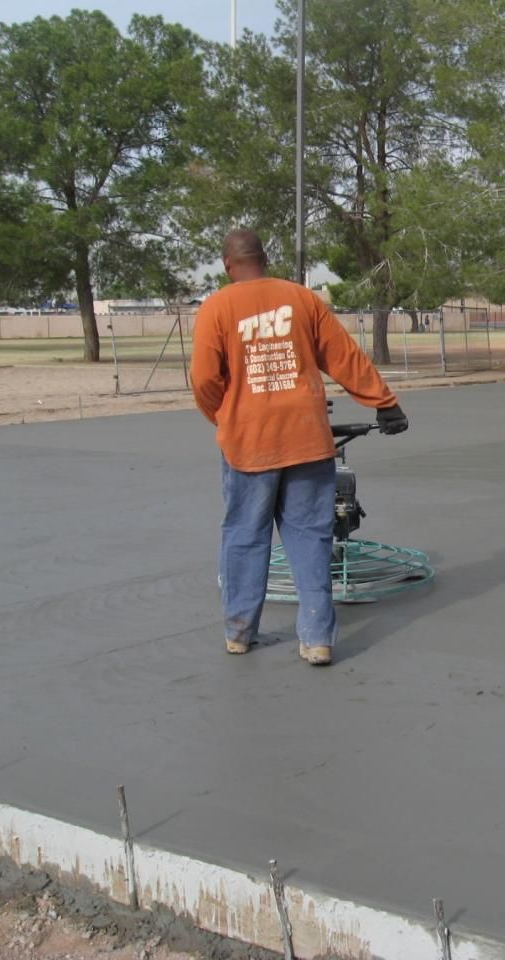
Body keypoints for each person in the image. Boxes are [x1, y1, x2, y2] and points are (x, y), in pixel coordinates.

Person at [190, 228, 409, 665]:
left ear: (228, 265)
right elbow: (342, 355)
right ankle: (317, 639)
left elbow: (203, 379)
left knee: (244, 536)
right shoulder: (302, 299)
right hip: (307, 436)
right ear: (264, 259)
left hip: (249, 442)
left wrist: (227, 415)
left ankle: (239, 632)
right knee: (310, 536)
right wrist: (384, 403)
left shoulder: (217, 306)